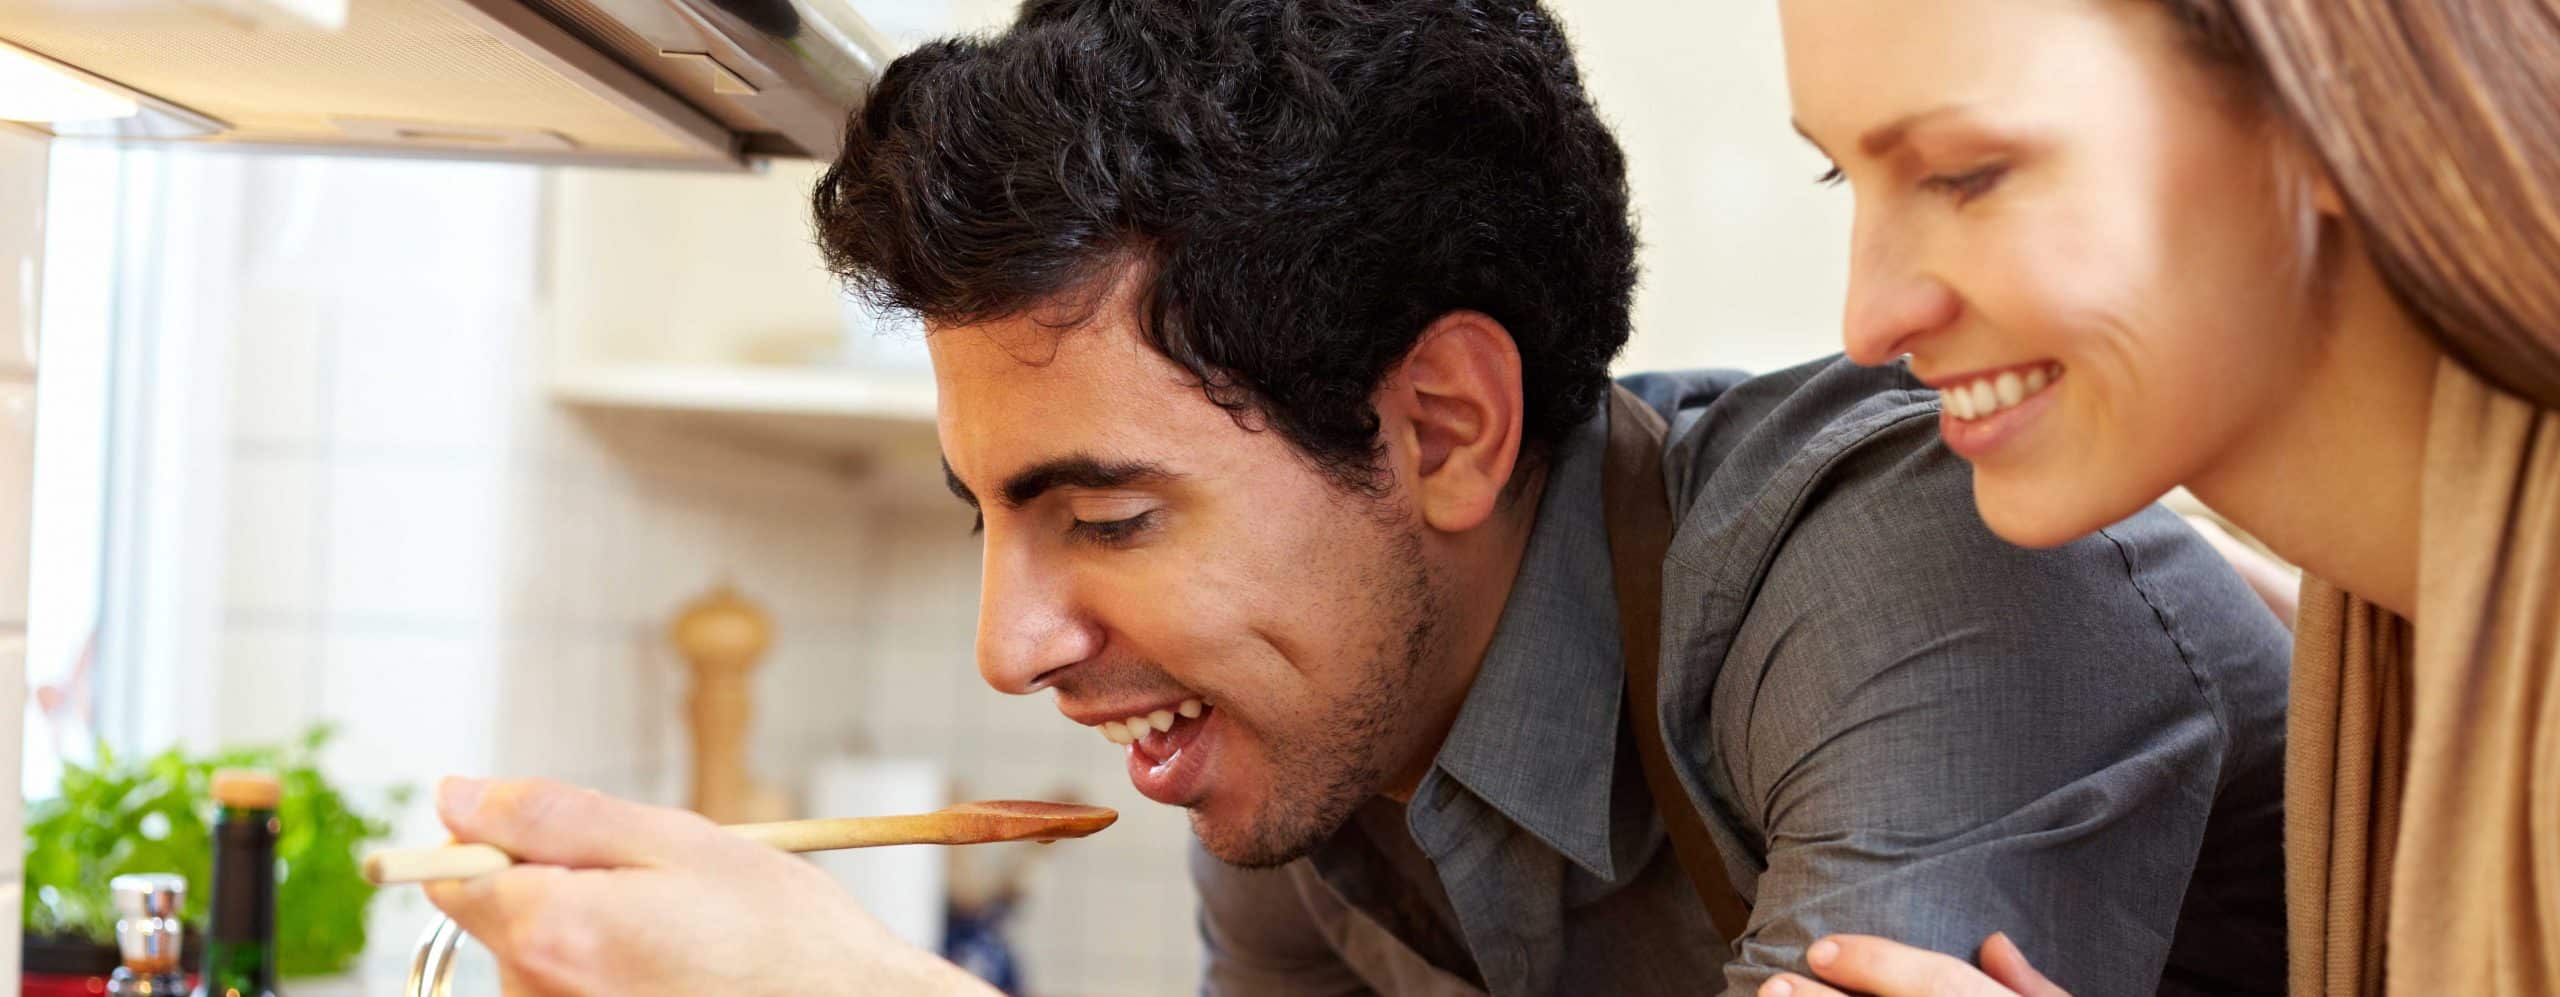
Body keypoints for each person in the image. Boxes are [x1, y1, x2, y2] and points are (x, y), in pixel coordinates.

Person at [423, 1, 2297, 993]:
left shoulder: (1919, 551)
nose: (1017, 644)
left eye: (1109, 514)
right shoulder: (1317, 763)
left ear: (1448, 428)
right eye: (985, 514)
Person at [1767, 0, 2560, 995]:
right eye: (1843, 172)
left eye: (1965, 174)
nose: (1868, 320)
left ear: (2327, 110)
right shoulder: (2403, 630)